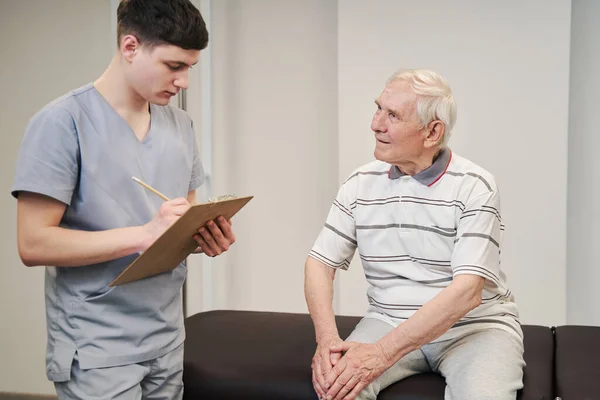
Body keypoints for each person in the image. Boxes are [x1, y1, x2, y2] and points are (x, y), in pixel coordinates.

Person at [11, 0, 234, 398]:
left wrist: (202, 237)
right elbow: (32, 243)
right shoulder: (62, 123)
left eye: (190, 68)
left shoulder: (180, 125)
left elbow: (175, 228)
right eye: (174, 66)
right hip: (99, 345)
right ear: (130, 47)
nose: (184, 82)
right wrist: (143, 235)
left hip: (166, 337)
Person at [304, 69, 524, 400]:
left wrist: (379, 356)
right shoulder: (359, 183)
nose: (376, 124)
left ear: (433, 131)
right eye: (378, 108)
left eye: (392, 115)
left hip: (473, 329)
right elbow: (319, 264)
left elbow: (466, 293)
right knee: (336, 389)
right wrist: (327, 339)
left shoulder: (474, 185)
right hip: (387, 321)